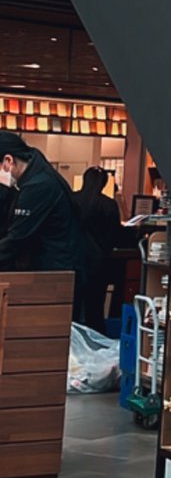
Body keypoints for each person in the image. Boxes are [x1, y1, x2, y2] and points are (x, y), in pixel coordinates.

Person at [0, 131, 90, 318]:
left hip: (55, 274)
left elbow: (18, 239)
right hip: (55, 269)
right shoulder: (38, 174)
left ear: (8, 161)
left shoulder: (38, 186)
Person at [74, 167, 124, 331]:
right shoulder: (108, 205)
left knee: (73, 306)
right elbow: (115, 235)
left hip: (74, 259)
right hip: (99, 261)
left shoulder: (72, 200)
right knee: (95, 307)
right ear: (104, 184)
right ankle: (95, 340)